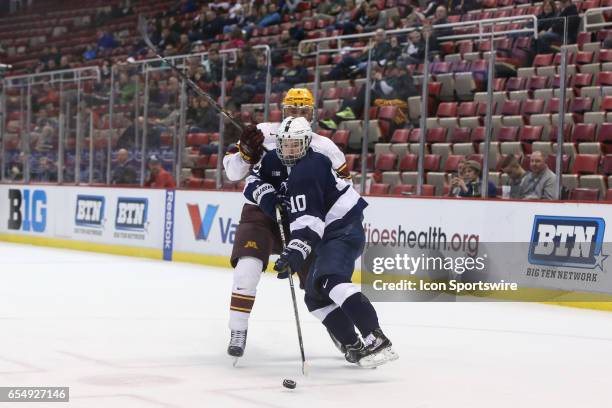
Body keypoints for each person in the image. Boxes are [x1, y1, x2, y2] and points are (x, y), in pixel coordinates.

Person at [244, 116, 399, 367]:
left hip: (343, 229)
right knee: (315, 298)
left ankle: (377, 339)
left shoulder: (309, 169)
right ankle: (354, 345)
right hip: (328, 233)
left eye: (295, 144)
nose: (288, 149)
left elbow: (310, 222)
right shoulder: (277, 160)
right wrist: (267, 196)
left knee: (331, 279)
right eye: (284, 143)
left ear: (306, 143)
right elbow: (251, 181)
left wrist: (295, 252)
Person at [222, 88, 350, 360]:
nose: (298, 114)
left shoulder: (325, 147)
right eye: (293, 109)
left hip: (303, 218)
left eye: (303, 110)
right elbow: (233, 173)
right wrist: (245, 153)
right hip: (260, 212)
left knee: (318, 285)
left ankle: (345, 335)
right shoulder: (262, 133)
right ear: (283, 111)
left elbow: (344, 188)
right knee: (247, 269)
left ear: (312, 114)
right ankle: (238, 330)